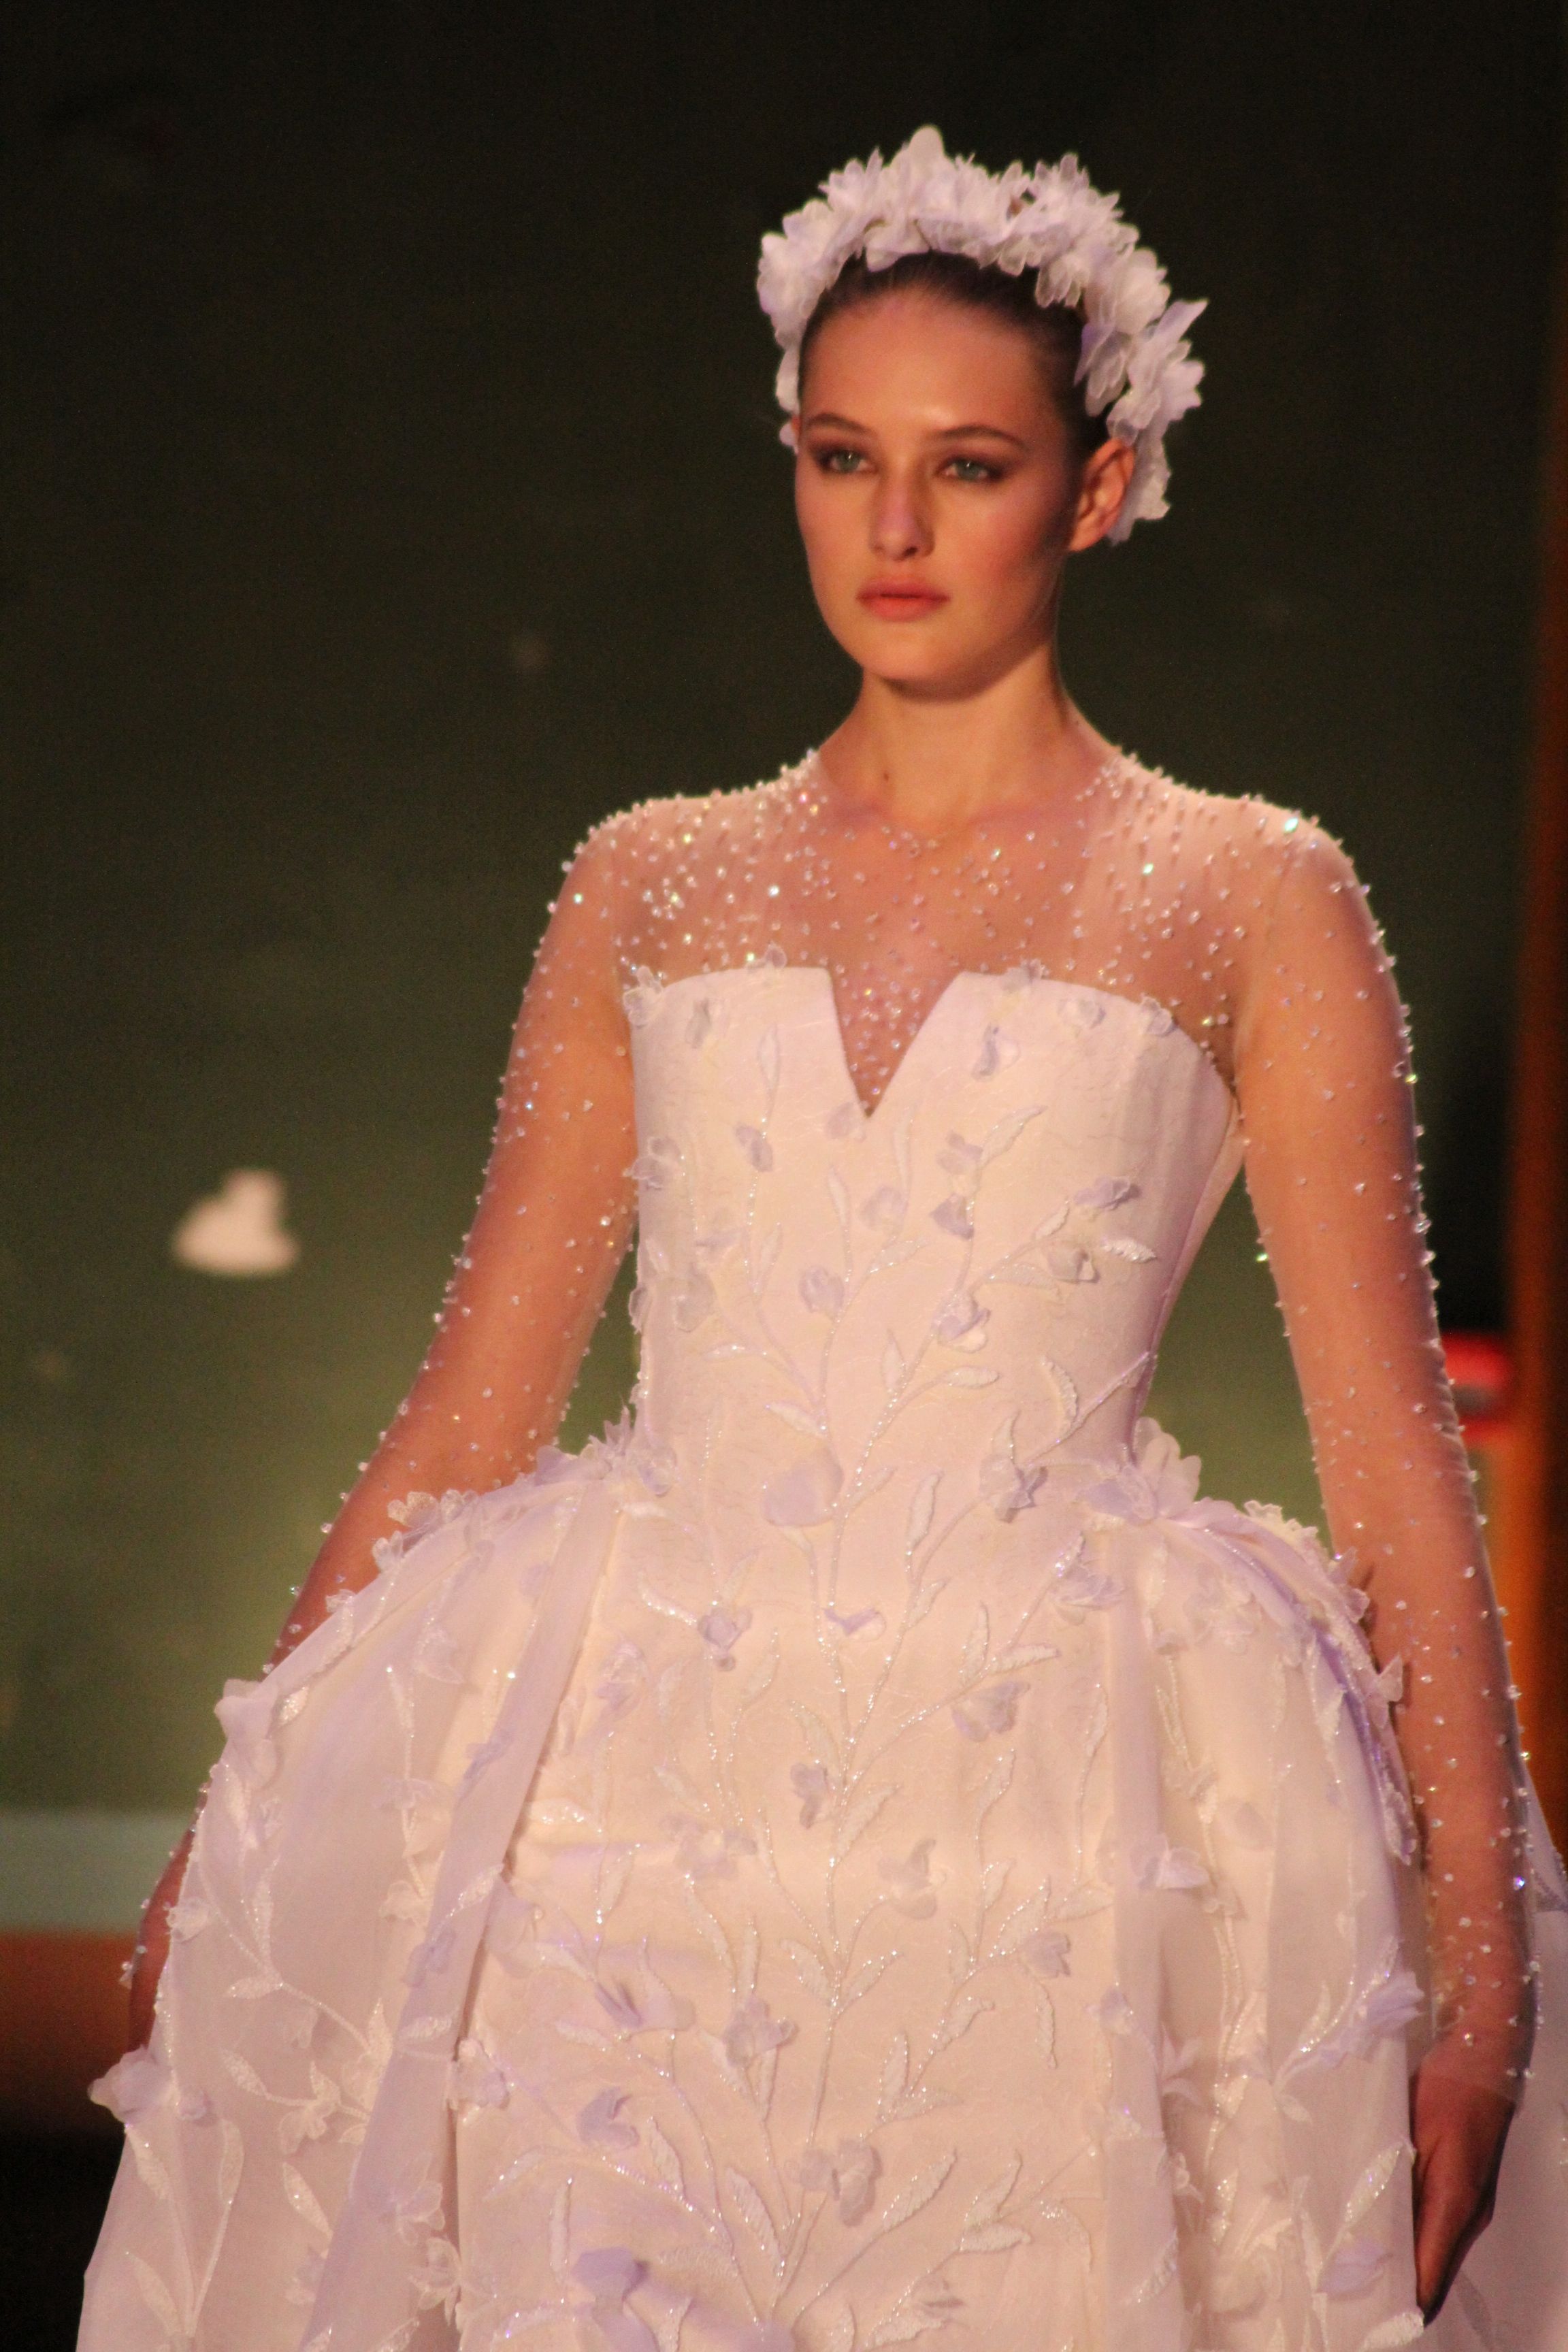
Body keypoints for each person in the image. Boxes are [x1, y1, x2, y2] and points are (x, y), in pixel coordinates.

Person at [80, 127, 1568, 2352]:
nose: (892, 531)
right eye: (840, 457)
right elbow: (469, 1416)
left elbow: (1392, 1465)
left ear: (1097, 486)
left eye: (968, 468)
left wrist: (1483, 1978)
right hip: (635, 1807)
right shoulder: (647, 882)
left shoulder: (1251, 897)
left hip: (1060, 1816)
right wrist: (251, 1822)